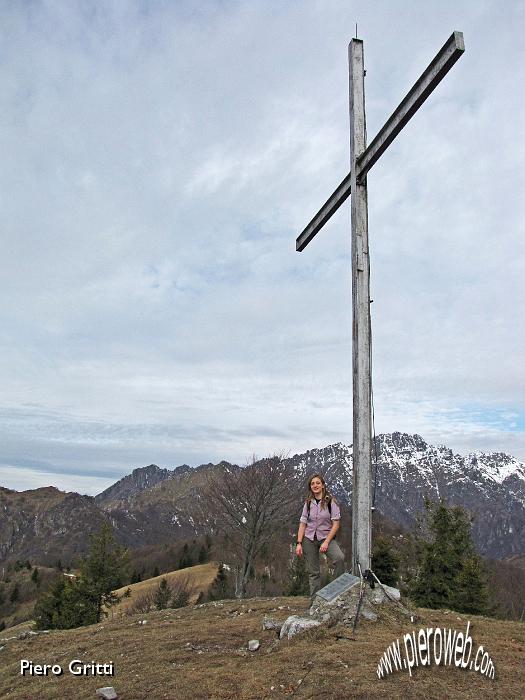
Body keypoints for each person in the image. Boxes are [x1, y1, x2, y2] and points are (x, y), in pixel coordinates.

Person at [296, 473, 346, 597]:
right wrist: (299, 543)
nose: (315, 485)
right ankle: (315, 602)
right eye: (312, 483)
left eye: (318, 483)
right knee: (313, 573)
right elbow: (303, 524)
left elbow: (336, 524)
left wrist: (326, 542)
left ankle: (337, 593)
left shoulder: (331, 502)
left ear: (323, 485)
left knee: (339, 558)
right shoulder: (308, 503)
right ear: (310, 487)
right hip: (309, 539)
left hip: (326, 538)